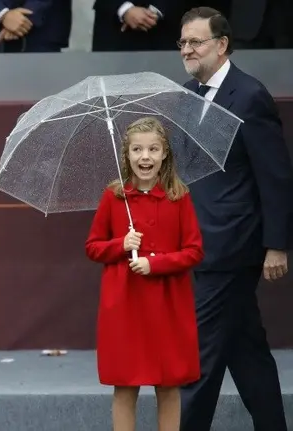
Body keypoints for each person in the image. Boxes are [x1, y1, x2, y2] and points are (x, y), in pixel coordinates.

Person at [177, 7, 293, 431]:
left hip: (231, 245)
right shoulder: (186, 94)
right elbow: (186, 169)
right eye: (183, 43)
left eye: (196, 42)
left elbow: (275, 175)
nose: (187, 50)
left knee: (201, 355)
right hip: (199, 240)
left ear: (222, 45)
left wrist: (276, 244)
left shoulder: (249, 94)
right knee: (246, 350)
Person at [85, 117, 203, 431]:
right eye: (137, 150)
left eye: (153, 149)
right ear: (127, 155)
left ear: (165, 154)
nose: (145, 157)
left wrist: (156, 264)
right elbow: (93, 247)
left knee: (168, 384)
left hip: (167, 305)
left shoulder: (179, 197)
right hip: (125, 305)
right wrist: (121, 244)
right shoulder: (114, 197)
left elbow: (194, 251)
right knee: (125, 384)